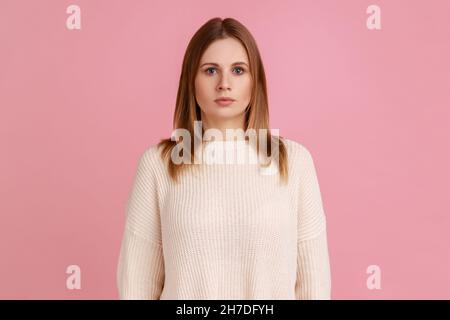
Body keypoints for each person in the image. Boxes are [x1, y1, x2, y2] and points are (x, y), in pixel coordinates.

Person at [116, 17, 331, 300]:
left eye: (239, 70)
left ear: (256, 83)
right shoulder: (158, 165)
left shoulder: (295, 162)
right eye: (210, 70)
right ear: (191, 81)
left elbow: (313, 285)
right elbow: (137, 284)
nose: (224, 84)